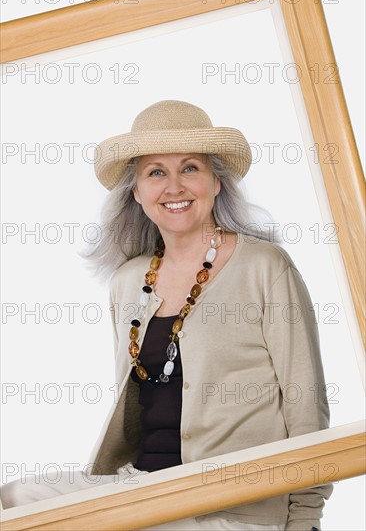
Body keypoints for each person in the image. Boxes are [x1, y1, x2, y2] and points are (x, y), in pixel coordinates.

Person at [1, 100, 333, 530]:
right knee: (16, 502)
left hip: (229, 503)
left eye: (190, 167)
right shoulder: (128, 281)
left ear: (216, 181)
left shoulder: (265, 267)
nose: (174, 186)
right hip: (142, 487)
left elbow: (306, 405)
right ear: (137, 192)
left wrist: (304, 519)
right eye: (156, 172)